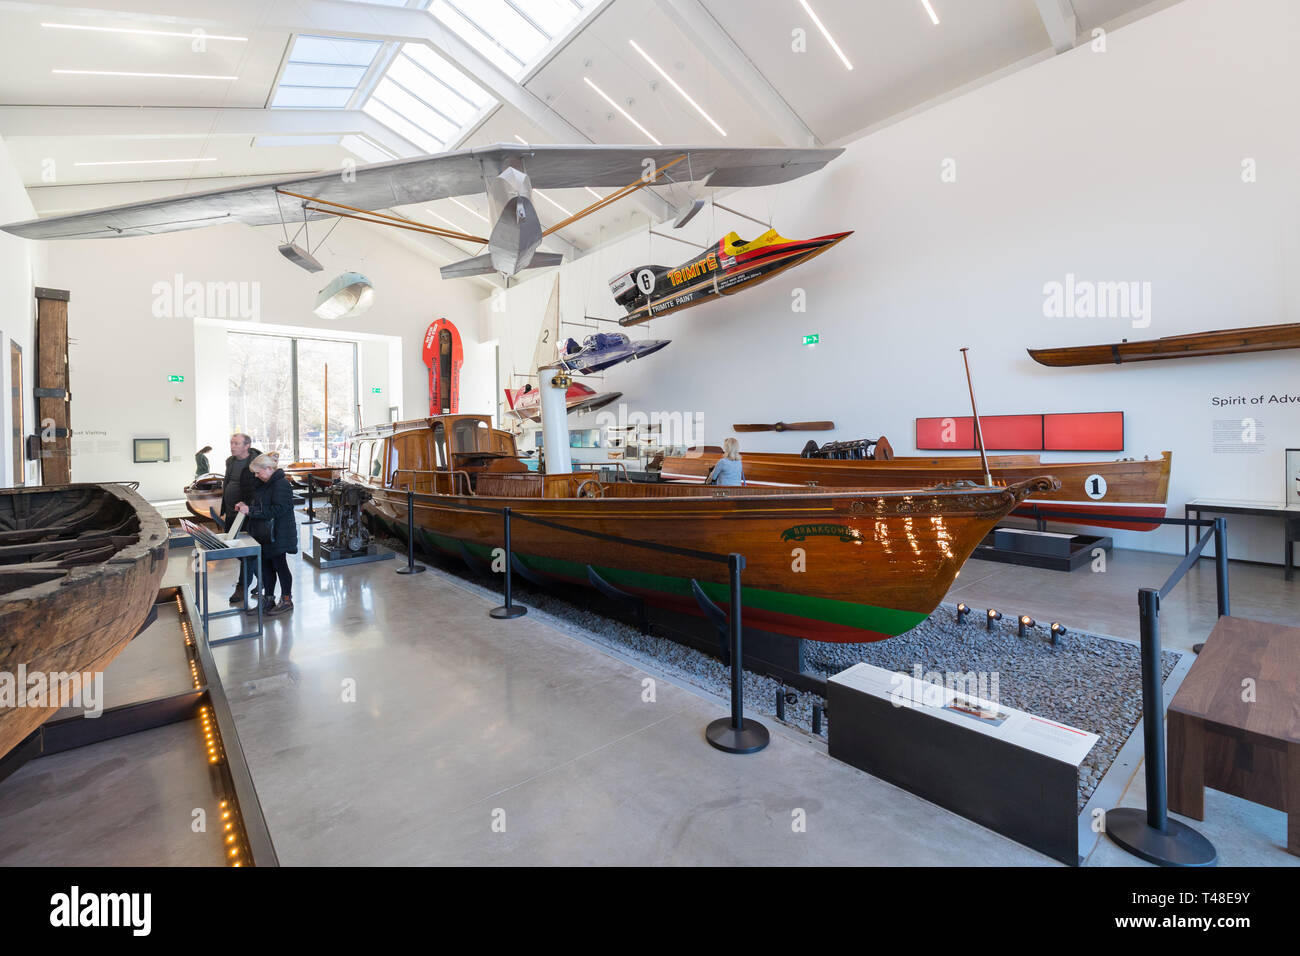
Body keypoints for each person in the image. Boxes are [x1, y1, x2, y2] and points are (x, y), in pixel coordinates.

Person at [236, 453, 297, 616]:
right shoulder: (264, 483)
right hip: (264, 533)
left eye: (258, 472)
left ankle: (286, 600)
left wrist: (252, 511)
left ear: (269, 469)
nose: (256, 476)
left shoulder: (281, 484)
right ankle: (268, 599)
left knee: (280, 566)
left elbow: (278, 509)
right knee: (266, 568)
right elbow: (261, 504)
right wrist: (246, 506)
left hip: (278, 533)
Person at [222, 433, 262, 604]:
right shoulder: (230, 461)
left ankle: (241, 587)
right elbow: (228, 483)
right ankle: (262, 578)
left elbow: (258, 489)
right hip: (231, 512)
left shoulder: (256, 462)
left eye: (236, 443)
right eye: (231, 443)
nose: (232, 446)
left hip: (246, 514)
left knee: (245, 551)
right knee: (235, 548)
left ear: (247, 446)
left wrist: (249, 507)